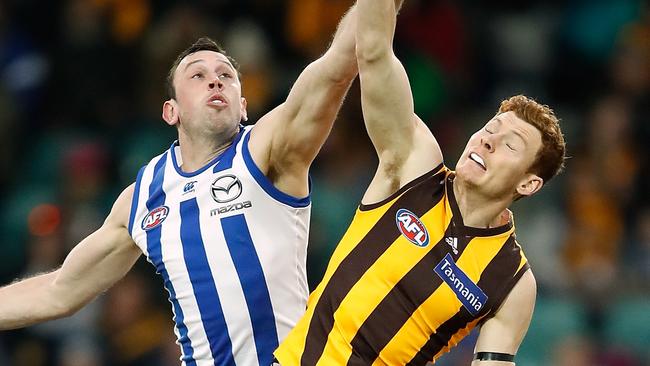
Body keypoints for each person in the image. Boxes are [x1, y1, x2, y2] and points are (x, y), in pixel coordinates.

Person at [0, 4, 360, 365]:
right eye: (197, 75)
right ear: (171, 111)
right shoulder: (142, 198)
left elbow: (337, 64)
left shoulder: (266, 150)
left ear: (244, 106)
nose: (215, 80)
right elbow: (58, 292)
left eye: (226, 75)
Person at [274, 0, 566, 365]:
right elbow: (374, 52)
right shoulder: (416, 167)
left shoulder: (512, 281)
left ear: (528, 184)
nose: (487, 140)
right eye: (490, 128)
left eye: (510, 144)